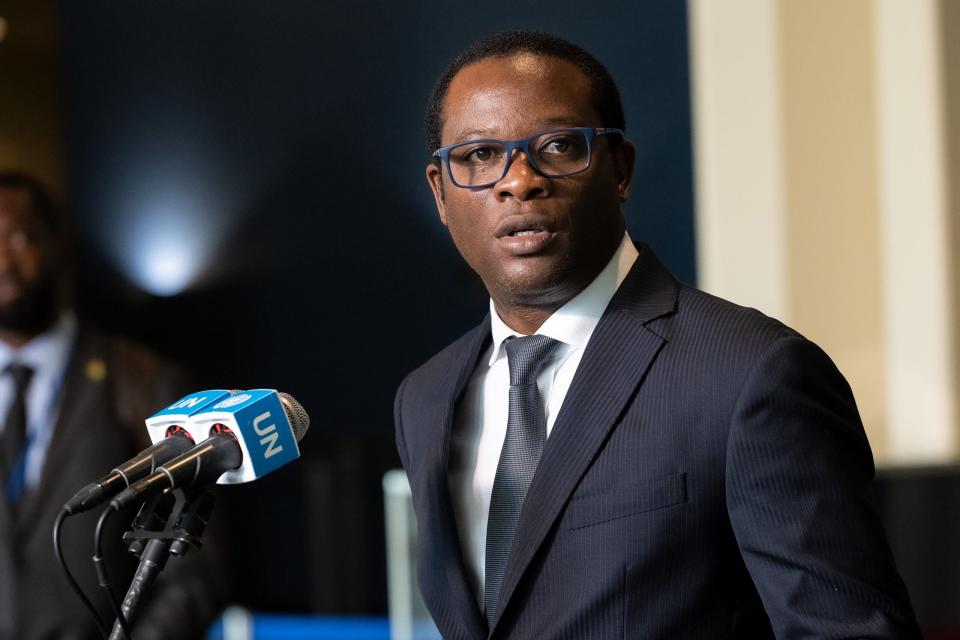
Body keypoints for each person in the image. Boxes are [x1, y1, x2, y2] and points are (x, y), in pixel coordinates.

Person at [393, 31, 921, 639]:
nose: (519, 181)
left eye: (560, 146)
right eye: (479, 156)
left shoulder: (752, 374)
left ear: (620, 170)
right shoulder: (425, 398)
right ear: (439, 189)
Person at [0, 170, 223, 640]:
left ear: (56, 245)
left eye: (18, 239)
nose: (3, 262)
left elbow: (194, 571)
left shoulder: (140, 379)